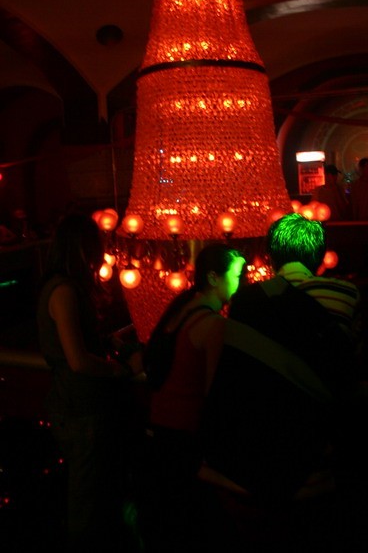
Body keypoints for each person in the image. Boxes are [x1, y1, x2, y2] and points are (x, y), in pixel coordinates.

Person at [201, 213, 359, 549]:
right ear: (319, 258)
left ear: (270, 257)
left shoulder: (247, 300)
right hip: (314, 469)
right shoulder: (344, 295)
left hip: (243, 468)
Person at [37, 212, 143, 553]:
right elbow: (78, 360)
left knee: (92, 493)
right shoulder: (64, 291)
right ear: (83, 249)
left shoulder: (60, 287)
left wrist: (109, 341)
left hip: (74, 404)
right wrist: (123, 370)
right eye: (95, 246)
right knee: (87, 498)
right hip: (81, 407)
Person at [138, 243, 246, 551]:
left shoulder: (181, 310)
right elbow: (215, 393)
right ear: (213, 278)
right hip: (186, 438)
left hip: (158, 432)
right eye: (236, 275)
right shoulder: (213, 325)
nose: (241, 282)